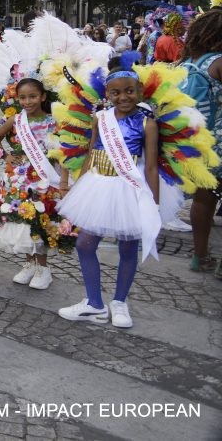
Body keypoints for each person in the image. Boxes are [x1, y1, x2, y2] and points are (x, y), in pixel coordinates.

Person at [57, 53, 158, 327]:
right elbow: (91, 152)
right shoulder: (100, 118)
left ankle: (120, 302)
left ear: (139, 91)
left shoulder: (148, 123)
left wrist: (153, 203)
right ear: (107, 94)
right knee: (85, 244)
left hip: (129, 187)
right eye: (116, 92)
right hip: (98, 184)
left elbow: (150, 167)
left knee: (129, 247)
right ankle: (94, 303)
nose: (123, 97)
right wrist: (78, 186)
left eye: (129, 91)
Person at [0, 78, 65, 289]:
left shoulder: (53, 121)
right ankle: (29, 264)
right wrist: (5, 156)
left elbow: (64, 148)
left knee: (39, 221)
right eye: (22, 97)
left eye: (32, 96)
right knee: (22, 219)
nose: (27, 101)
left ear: (42, 97)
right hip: (20, 178)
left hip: (44, 178)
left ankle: (43, 269)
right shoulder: (16, 120)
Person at [180, 9, 222, 276]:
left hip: (197, 141)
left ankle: (201, 255)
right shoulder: (219, 62)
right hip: (219, 139)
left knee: (203, 199)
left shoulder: (188, 63)